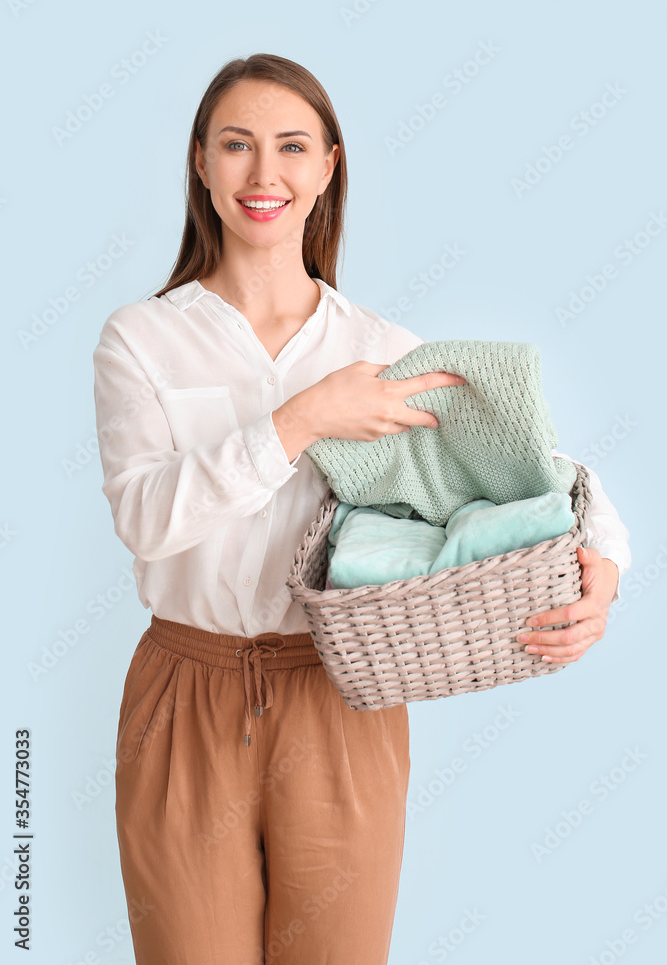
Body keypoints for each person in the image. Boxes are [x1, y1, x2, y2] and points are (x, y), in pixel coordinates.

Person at [92, 53, 631, 965]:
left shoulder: (378, 346)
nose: (265, 175)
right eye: (237, 146)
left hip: (342, 698)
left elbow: (523, 466)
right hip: (183, 694)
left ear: (327, 168)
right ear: (200, 163)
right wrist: (302, 419)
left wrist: (605, 563)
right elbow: (146, 519)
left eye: (291, 147)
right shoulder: (141, 339)